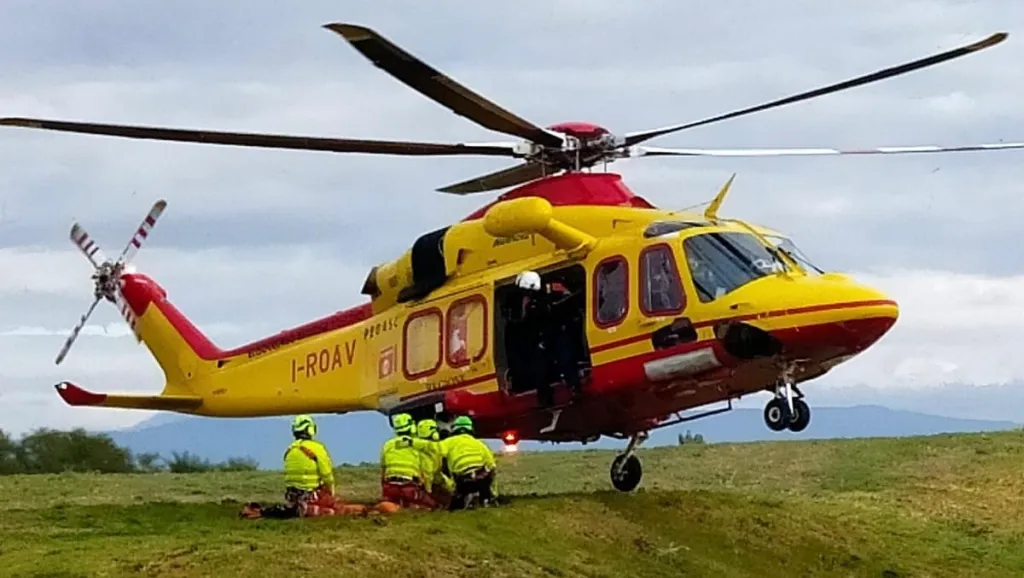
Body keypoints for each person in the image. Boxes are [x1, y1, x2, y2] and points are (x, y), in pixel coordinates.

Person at [282, 414, 342, 516]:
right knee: (334, 509)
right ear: (310, 429)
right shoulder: (317, 448)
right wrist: (331, 493)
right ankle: (307, 509)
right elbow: (327, 475)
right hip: (309, 495)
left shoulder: (290, 449)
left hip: (292, 497)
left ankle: (299, 508)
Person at [380, 413, 438, 510]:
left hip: (390, 488)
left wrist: (385, 490)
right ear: (412, 427)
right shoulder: (417, 445)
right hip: (409, 487)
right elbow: (426, 471)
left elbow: (383, 470)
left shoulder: (387, 445)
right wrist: (428, 490)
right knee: (432, 505)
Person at [440, 415, 498, 510]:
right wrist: (494, 493)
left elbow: (435, 453)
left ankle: (461, 499)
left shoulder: (448, 442)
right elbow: (492, 465)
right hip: (482, 479)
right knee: (487, 473)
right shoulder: (479, 444)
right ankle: (486, 499)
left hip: (463, 482)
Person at [416, 418, 454, 508]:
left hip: (432, 482)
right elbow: (428, 476)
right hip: (424, 486)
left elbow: (437, 474)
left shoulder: (429, 447)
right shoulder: (428, 452)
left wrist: (450, 486)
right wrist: (428, 495)